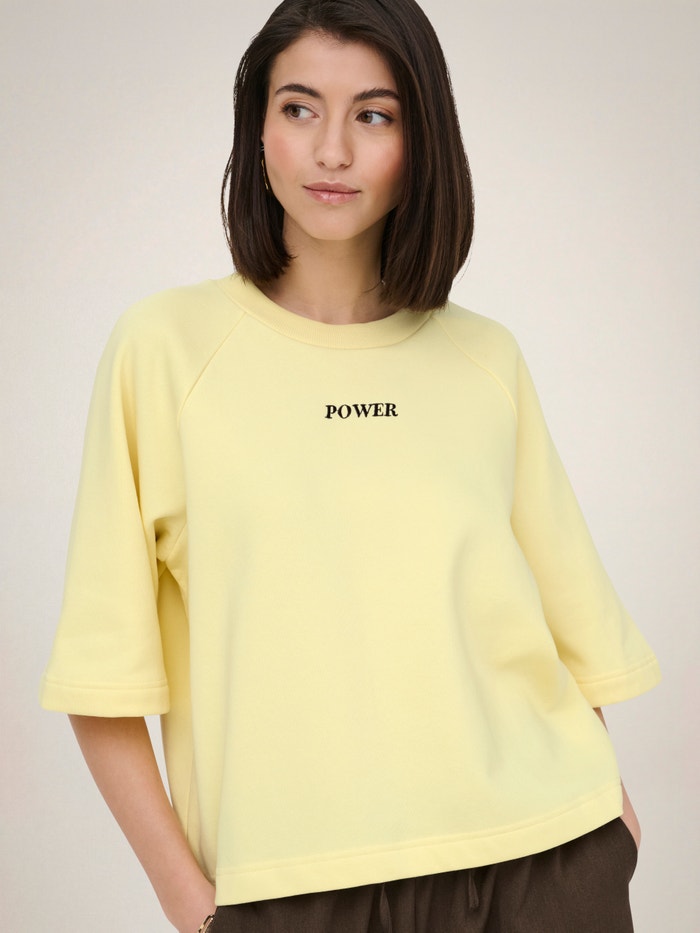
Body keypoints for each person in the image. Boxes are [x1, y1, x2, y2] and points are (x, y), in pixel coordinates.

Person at [40, 1, 661, 931]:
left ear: (420, 143)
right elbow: (101, 677)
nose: (332, 150)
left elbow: (562, 629)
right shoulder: (164, 350)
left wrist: (608, 816)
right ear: (257, 130)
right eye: (299, 108)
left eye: (374, 115)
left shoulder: (485, 359)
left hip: (544, 862)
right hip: (290, 890)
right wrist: (191, 903)